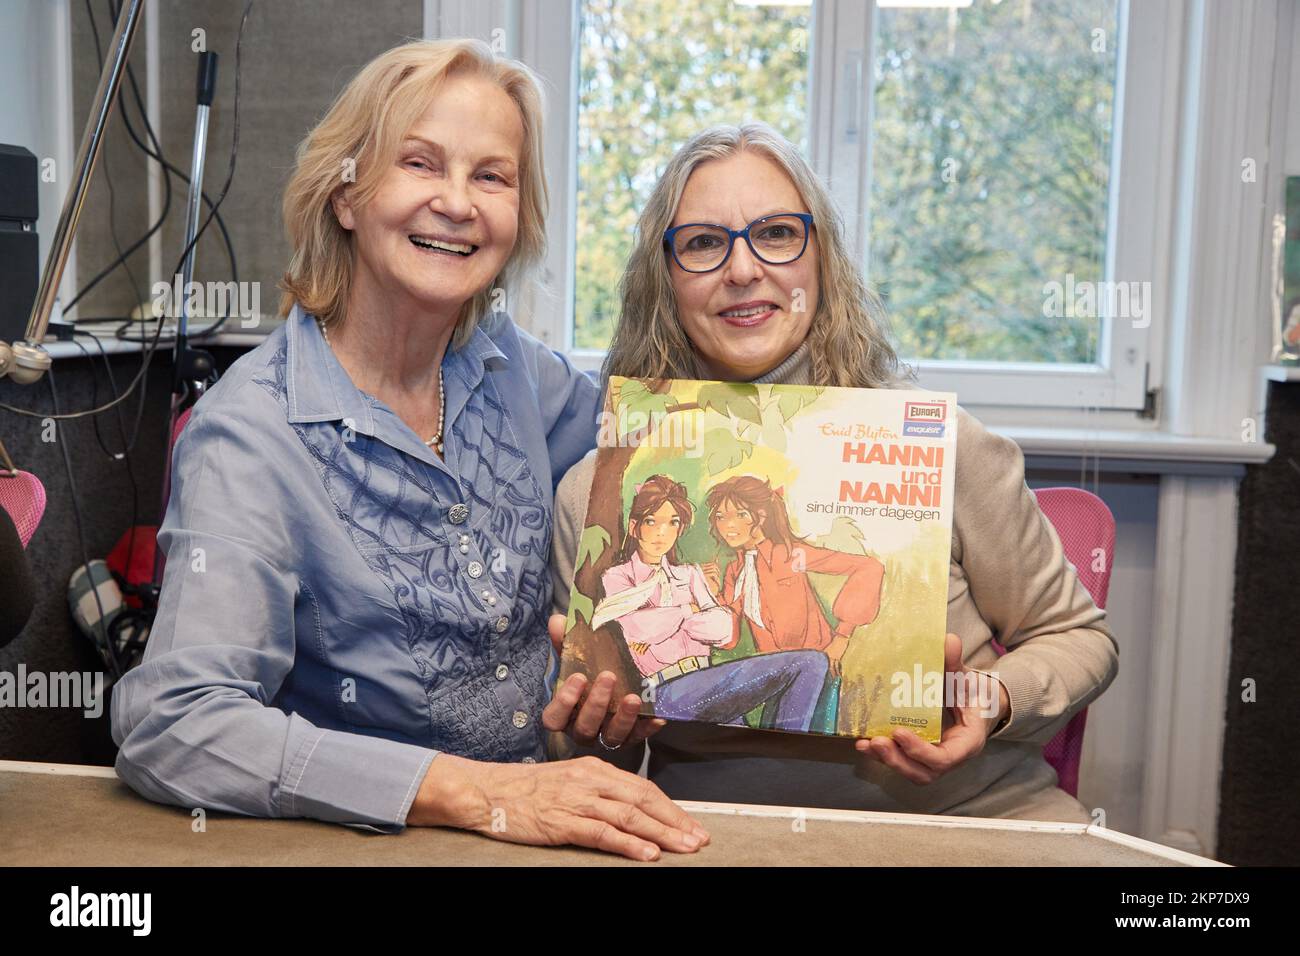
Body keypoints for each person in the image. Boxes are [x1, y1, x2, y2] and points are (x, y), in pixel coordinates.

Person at [110, 39, 708, 862]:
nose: (458, 203)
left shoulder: (517, 372)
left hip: (558, 826)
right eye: (419, 163)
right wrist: (476, 793)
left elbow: (684, 446)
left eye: (491, 176)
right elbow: (173, 724)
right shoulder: (251, 433)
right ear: (346, 194)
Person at [546, 122, 1119, 823]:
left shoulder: (946, 447)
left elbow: (1082, 638)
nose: (743, 269)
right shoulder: (600, 492)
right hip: (710, 835)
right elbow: (596, 763)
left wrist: (988, 700)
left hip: (972, 821)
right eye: (702, 243)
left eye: (777, 233)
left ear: (821, 258)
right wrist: (594, 734)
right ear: (664, 279)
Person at [588, 474, 828, 731]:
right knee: (810, 662)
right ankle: (787, 744)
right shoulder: (618, 576)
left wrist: (670, 621)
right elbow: (640, 628)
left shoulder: (689, 574)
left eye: (672, 523)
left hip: (707, 684)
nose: (662, 532)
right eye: (651, 521)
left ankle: (784, 744)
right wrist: (689, 610)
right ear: (634, 527)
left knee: (756, 752)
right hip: (666, 692)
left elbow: (723, 629)